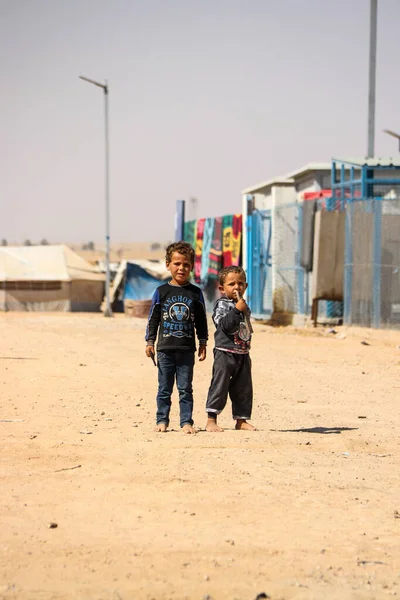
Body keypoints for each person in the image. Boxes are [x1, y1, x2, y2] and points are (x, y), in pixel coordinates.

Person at [145, 241, 208, 434]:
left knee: (185, 389)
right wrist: (150, 342)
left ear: (191, 266)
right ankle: (162, 420)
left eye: (186, 264)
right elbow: (153, 318)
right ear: (168, 264)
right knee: (164, 389)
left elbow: (201, 320)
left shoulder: (195, 293)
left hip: (187, 350)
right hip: (164, 349)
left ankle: (186, 422)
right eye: (177, 264)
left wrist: (203, 341)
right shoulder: (161, 292)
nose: (181, 268)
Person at [205, 266, 256, 432]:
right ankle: (211, 419)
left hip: (242, 353)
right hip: (224, 353)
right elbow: (224, 326)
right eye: (231, 284)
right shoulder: (222, 305)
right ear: (222, 288)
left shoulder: (243, 305)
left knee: (243, 388)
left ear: (246, 286)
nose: (237, 287)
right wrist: (236, 310)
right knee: (220, 385)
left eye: (240, 283)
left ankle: (241, 420)